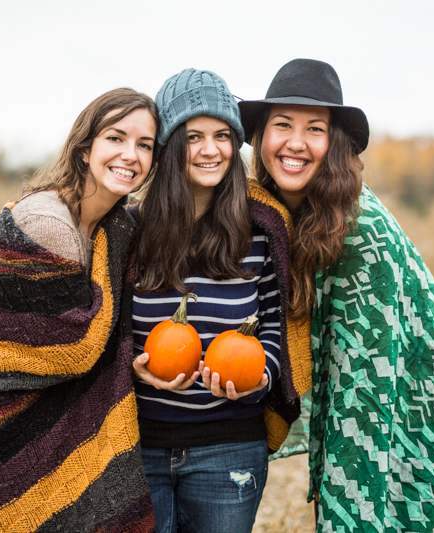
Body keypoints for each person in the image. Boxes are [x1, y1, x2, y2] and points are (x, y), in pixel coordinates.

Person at [239, 59, 434, 532]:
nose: (295, 142)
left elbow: (364, 394)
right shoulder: (272, 210)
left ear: (335, 143)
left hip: (431, 396)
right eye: (282, 125)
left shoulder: (363, 232)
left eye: (314, 129)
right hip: (379, 385)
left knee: (405, 512)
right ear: (261, 137)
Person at [0, 88, 161, 533]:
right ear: (86, 147)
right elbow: (71, 350)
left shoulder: (115, 227)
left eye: (145, 145)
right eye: (116, 138)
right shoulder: (47, 224)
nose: (131, 154)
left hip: (43, 444)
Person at [128, 68, 311, 533]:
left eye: (222, 135)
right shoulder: (128, 231)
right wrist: (134, 364)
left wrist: (260, 375)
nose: (211, 150)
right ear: (169, 145)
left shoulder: (259, 231)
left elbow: (275, 323)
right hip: (137, 445)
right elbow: (104, 326)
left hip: (229, 448)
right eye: (194, 136)